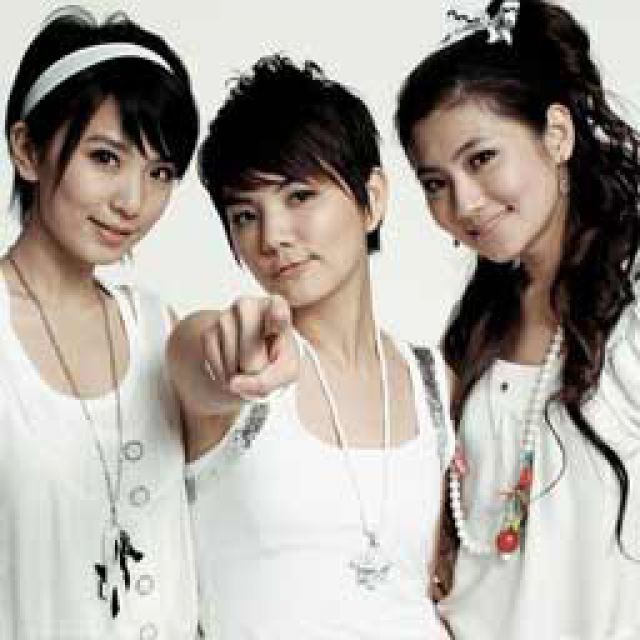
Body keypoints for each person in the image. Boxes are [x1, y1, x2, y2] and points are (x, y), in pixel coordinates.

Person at [168, 54, 454, 639]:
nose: (272, 236)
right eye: (245, 214)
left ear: (372, 199)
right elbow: (204, 359)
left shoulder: (434, 382)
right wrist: (235, 355)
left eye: (299, 196)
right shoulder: (223, 344)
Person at [394, 0, 640, 638]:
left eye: (481, 159)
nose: (464, 203)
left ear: (556, 135)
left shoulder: (630, 307)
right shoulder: (475, 330)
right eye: (435, 182)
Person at [0, 6, 200, 638]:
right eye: (106, 158)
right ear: (27, 149)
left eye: (159, 172)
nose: (133, 202)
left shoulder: (158, 329)